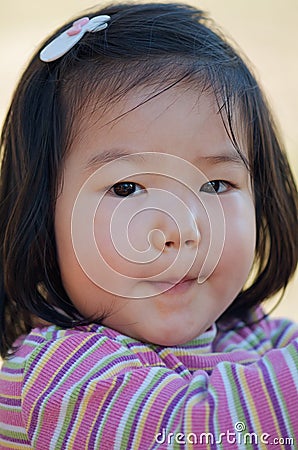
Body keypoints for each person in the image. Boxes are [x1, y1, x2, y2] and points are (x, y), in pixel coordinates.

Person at [0, 2, 297, 448]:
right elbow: (201, 433)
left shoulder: (266, 338)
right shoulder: (54, 372)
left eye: (215, 184)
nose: (181, 227)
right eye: (126, 189)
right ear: (42, 214)